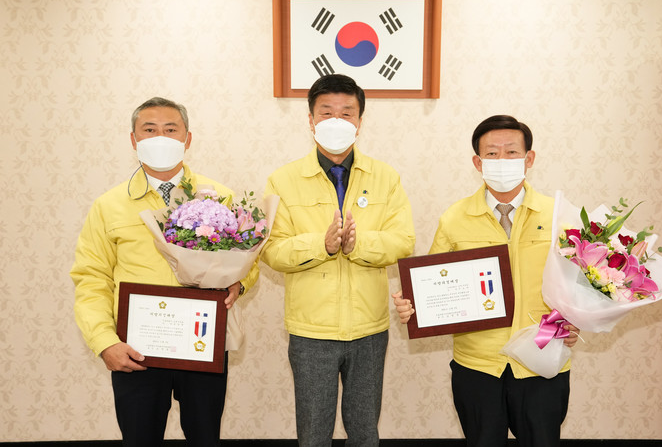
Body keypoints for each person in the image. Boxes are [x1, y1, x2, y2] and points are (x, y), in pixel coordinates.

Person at [71, 97, 258, 446]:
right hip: (136, 349)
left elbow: (248, 259)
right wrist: (104, 342)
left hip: (202, 342)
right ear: (133, 140)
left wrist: (240, 282)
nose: (160, 137)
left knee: (205, 438)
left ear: (188, 139)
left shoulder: (219, 197)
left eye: (170, 130)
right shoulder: (109, 205)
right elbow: (91, 278)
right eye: (150, 130)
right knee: (140, 439)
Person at [393, 115, 579, 447]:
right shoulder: (455, 217)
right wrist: (413, 305)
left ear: (529, 158)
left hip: (541, 357)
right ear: (478, 163)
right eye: (492, 153)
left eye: (511, 152)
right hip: (477, 365)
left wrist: (576, 320)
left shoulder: (558, 216)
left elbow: (580, 283)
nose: (502, 160)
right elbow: (433, 282)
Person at [261, 74, 415, 446]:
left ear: (360, 121)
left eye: (346, 113)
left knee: (364, 430)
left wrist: (358, 244)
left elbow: (403, 241)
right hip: (311, 331)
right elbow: (271, 250)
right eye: (326, 112)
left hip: (369, 328)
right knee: (314, 432)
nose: (336, 121)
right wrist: (323, 245)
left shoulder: (385, 177)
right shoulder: (283, 179)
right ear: (310, 120)